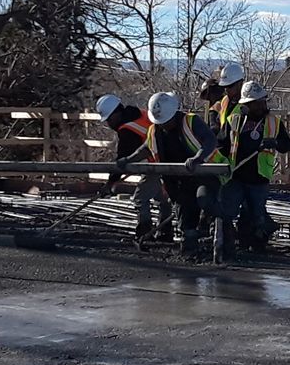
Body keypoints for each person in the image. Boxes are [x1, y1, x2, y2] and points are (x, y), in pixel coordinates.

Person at [146, 91, 224, 258]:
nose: (163, 125)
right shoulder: (155, 131)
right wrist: (128, 160)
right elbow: (146, 148)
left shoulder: (190, 122)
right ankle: (189, 249)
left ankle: (221, 231)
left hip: (205, 175)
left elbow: (210, 140)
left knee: (204, 200)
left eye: (166, 122)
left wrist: (198, 158)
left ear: (174, 114)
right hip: (179, 181)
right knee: (184, 213)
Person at [225, 79, 290, 255]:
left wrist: (275, 142)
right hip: (236, 175)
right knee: (227, 211)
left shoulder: (273, 122)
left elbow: (287, 145)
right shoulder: (233, 121)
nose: (259, 106)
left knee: (255, 213)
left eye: (261, 102)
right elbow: (221, 144)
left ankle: (256, 244)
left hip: (259, 177)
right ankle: (232, 242)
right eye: (254, 103)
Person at [96, 92, 171, 244]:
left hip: (155, 163)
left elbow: (122, 161)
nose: (109, 124)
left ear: (116, 113)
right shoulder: (140, 114)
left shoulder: (127, 130)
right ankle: (165, 233)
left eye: (109, 120)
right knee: (162, 197)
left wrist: (110, 183)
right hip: (164, 159)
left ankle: (145, 234)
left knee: (140, 198)